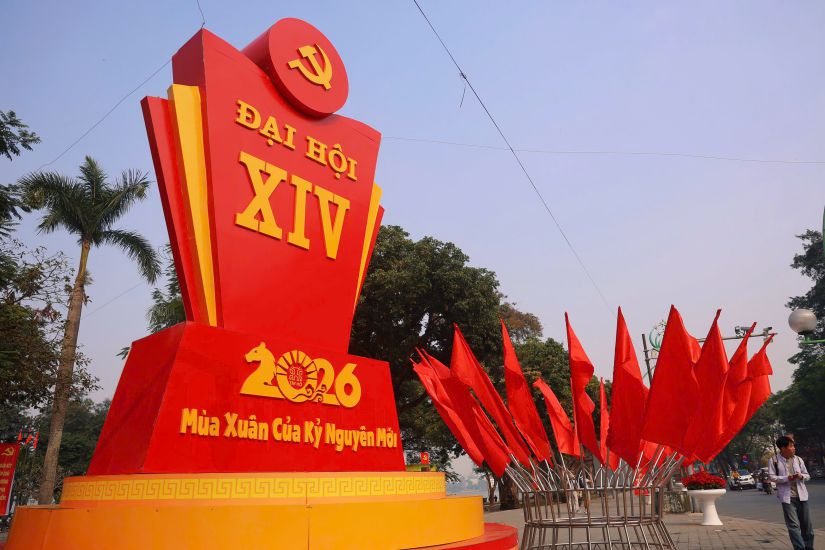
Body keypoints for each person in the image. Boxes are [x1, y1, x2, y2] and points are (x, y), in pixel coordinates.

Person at [769, 435, 814, 550]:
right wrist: (786, 478)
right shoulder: (774, 460)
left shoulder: (798, 459)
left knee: (807, 526)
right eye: (791, 446)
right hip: (787, 498)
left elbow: (807, 475)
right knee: (793, 526)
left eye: (793, 445)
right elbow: (772, 477)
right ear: (783, 448)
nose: (794, 448)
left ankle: (809, 547)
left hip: (802, 496)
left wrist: (801, 476)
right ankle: (800, 548)